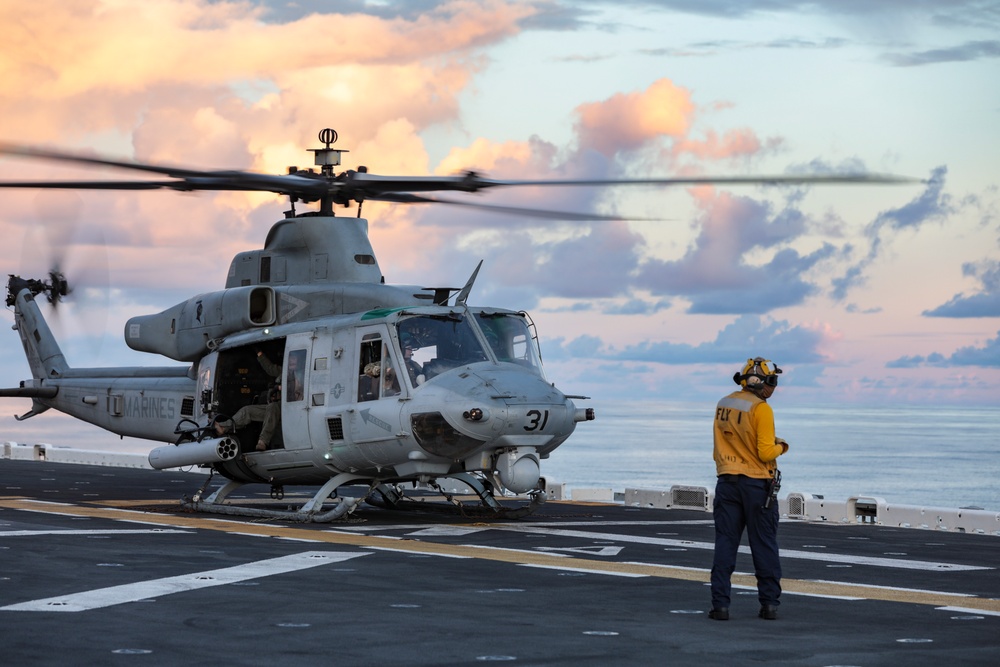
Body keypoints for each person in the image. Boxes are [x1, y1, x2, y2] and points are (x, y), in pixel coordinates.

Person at [709, 357, 789, 622]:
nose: (774, 388)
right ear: (763, 383)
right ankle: (769, 605)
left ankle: (720, 606)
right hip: (757, 486)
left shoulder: (724, 403)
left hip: (727, 483)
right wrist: (782, 446)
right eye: (773, 382)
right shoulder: (761, 409)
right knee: (763, 545)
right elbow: (766, 452)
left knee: (725, 544)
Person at [215, 350, 282, 452]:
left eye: (294, 359)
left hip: (291, 407)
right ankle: (224, 427)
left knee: (273, 407)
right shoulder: (284, 371)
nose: (292, 362)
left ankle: (263, 441)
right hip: (277, 407)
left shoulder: (302, 374)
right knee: (248, 411)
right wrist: (260, 353)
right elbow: (270, 368)